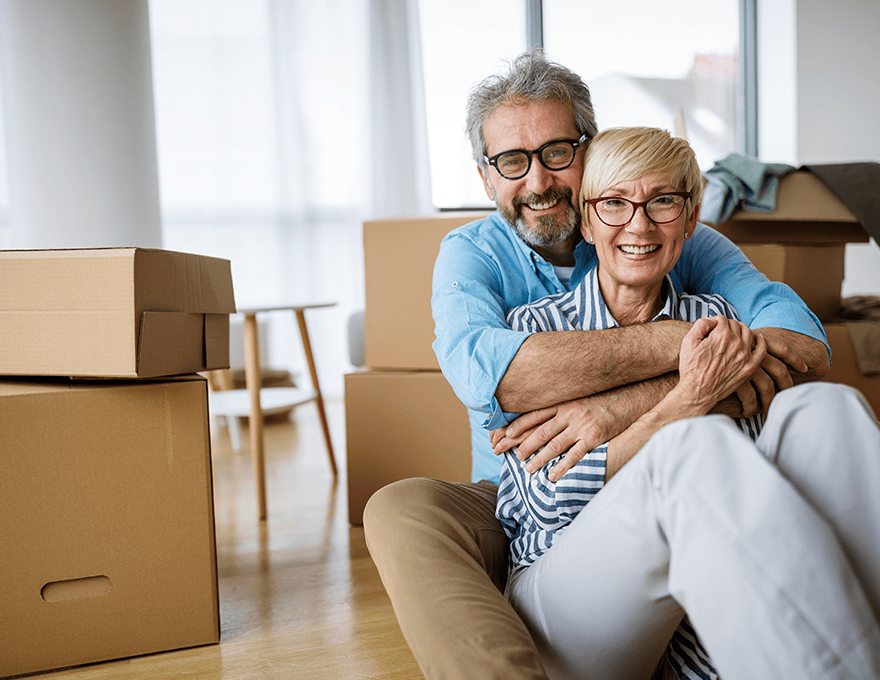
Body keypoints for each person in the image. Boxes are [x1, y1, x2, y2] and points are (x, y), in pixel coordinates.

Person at [364, 50, 830, 680]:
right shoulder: (471, 255)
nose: (537, 182)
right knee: (399, 509)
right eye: (511, 162)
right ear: (485, 177)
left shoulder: (657, 225)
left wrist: (619, 405)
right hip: (515, 490)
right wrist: (689, 343)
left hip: (660, 474)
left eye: (557, 152)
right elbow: (496, 381)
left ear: (589, 151)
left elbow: (800, 345)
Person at [495, 126, 880, 679]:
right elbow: (548, 502)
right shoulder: (537, 331)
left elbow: (748, 474)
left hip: (705, 606)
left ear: (692, 217)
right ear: (585, 218)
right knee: (694, 443)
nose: (640, 224)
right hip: (565, 592)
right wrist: (687, 400)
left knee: (825, 410)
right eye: (614, 203)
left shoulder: (724, 319)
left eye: (663, 202)